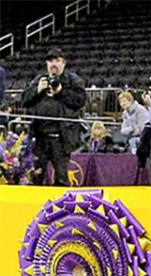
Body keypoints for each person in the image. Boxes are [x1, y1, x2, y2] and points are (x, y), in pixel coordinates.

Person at [22, 47, 86, 186]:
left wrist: (60, 91)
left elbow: (80, 101)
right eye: (50, 61)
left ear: (63, 63)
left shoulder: (73, 80)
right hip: (40, 138)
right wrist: (37, 90)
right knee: (35, 178)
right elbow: (25, 100)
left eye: (57, 60)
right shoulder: (39, 79)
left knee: (62, 180)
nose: (53, 64)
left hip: (61, 139)